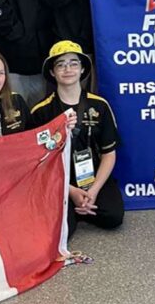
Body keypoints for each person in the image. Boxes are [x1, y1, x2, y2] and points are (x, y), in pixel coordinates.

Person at [31, 41, 123, 238]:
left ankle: (84, 203)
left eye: (73, 63)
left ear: (82, 69)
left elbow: (109, 154)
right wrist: (69, 190)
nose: (68, 69)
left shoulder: (100, 106)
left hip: (91, 174)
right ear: (52, 72)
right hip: (56, 178)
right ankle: (74, 206)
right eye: (61, 64)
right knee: (61, 231)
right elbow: (37, 161)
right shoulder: (40, 111)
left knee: (113, 216)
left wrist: (94, 190)